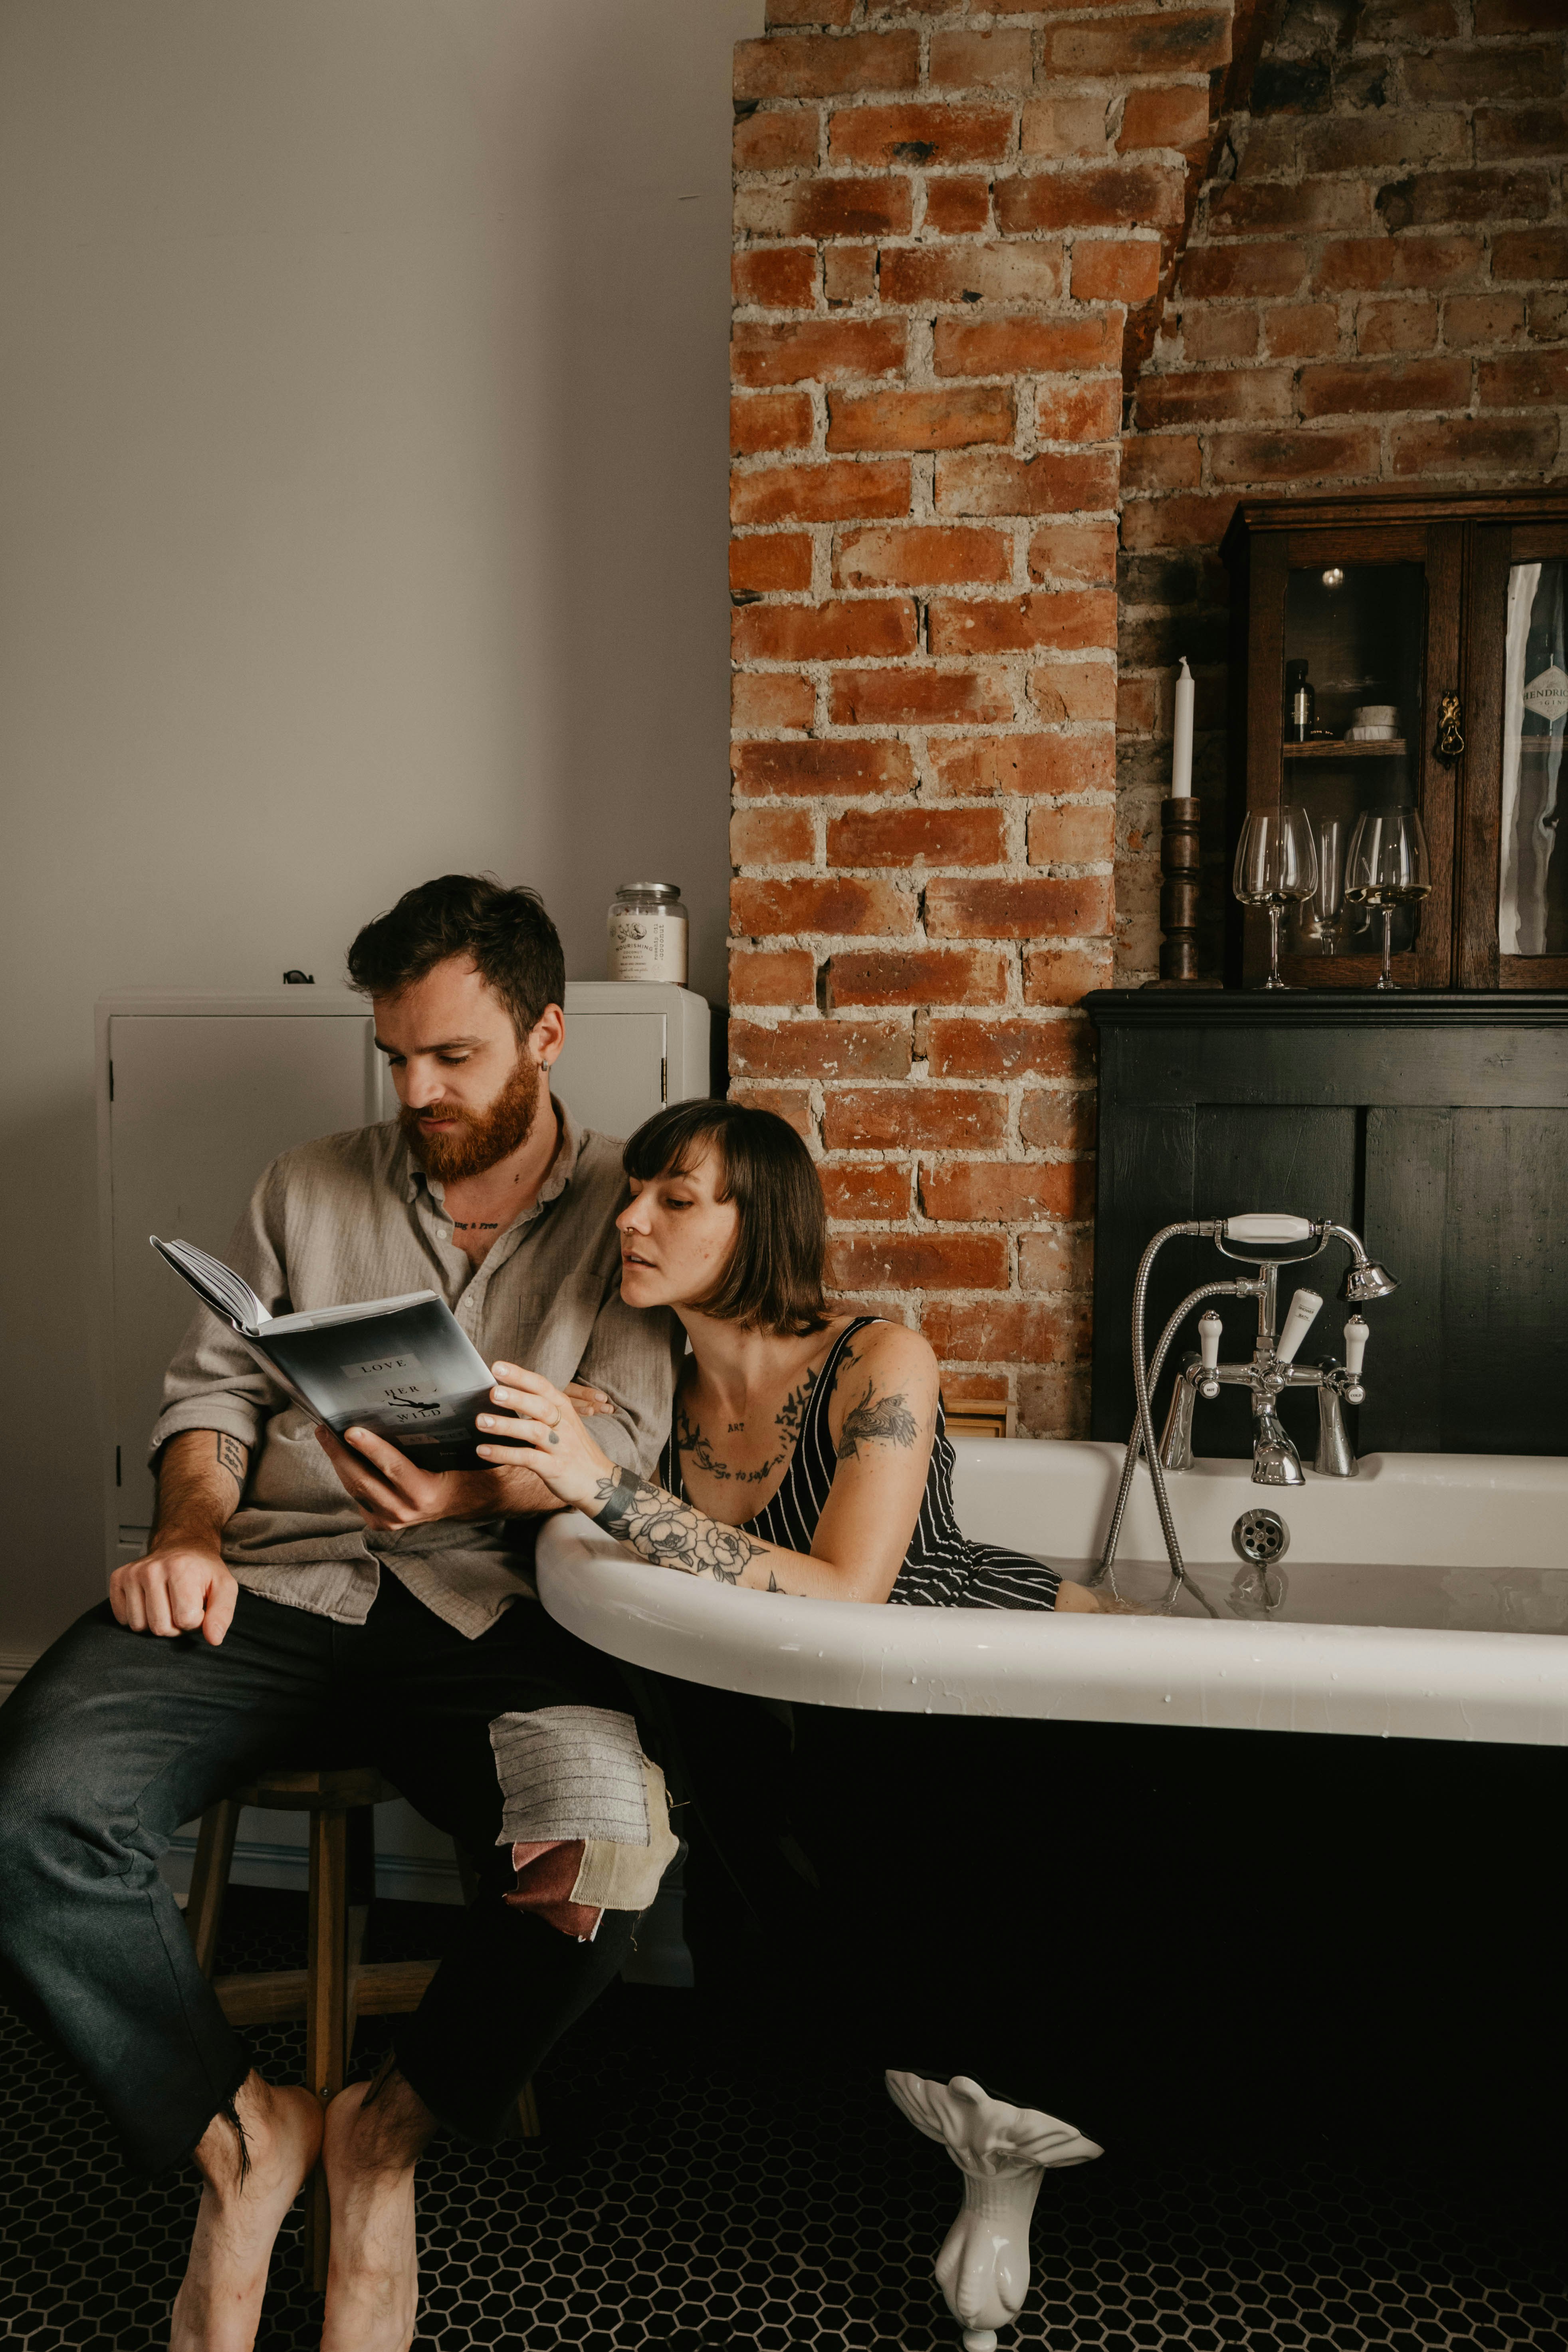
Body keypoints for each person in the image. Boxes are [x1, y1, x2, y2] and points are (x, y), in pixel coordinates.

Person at [0, 875, 682, 2352]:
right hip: (275, 1584)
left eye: (454, 1058)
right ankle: (242, 2138)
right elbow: (212, 1391)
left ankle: (383, 2137)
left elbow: (630, 1438)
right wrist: (186, 1530)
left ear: (546, 1034)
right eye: (395, 1058)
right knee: (30, 1809)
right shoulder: (306, 1183)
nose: (417, 1090)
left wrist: (475, 1498)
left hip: (503, 1618)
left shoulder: (636, 1205)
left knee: (608, 1850)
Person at [458, 1097, 1108, 1611]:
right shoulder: (660, 1402)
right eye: (633, 1193)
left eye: (676, 1201)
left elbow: (851, 1592)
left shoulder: (881, 1362)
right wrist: (561, 1442)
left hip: (1013, 1645)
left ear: (759, 1226)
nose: (629, 1218)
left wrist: (599, 1480)